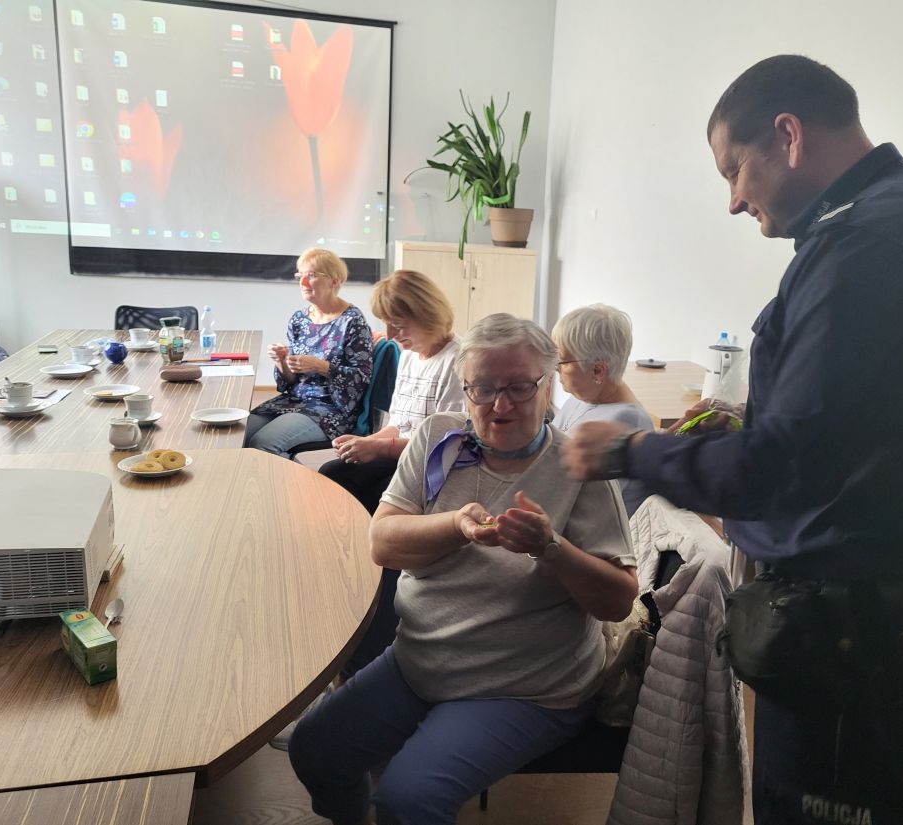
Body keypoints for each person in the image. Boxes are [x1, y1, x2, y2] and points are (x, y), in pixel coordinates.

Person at [561, 55, 903, 825]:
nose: (734, 200)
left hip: (859, 630)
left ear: (789, 136)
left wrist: (630, 453)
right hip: (877, 616)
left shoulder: (867, 248)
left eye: (734, 169)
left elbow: (778, 469)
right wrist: (752, 421)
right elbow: (865, 430)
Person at [289, 313, 637, 825]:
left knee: (408, 800)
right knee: (315, 750)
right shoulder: (439, 437)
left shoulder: (579, 467)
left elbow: (619, 601)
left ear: (547, 388)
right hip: (421, 658)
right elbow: (383, 544)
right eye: (484, 388)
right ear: (465, 388)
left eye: (519, 387)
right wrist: (456, 525)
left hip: (524, 686)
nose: (500, 405)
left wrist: (551, 547)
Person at [319, 269, 466, 514]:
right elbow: (398, 424)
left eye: (397, 325)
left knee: (376, 496)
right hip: (403, 456)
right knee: (332, 474)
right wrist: (364, 442)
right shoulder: (409, 355)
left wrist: (379, 447)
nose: (389, 335)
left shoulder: (457, 362)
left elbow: (445, 447)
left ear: (427, 316)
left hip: (433, 466)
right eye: (386, 324)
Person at [245, 248, 373, 457]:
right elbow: (289, 382)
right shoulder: (299, 319)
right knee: (238, 433)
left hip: (330, 408)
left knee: (262, 444)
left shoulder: (352, 321)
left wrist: (321, 366)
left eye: (311, 275)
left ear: (334, 281)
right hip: (294, 400)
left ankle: (294, 479)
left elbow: (361, 378)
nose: (303, 283)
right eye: (300, 276)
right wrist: (281, 361)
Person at [552, 304, 654, 516]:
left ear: (597, 370)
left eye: (562, 361)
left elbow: (588, 502)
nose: (555, 368)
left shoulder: (625, 421)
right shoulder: (582, 397)